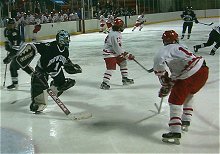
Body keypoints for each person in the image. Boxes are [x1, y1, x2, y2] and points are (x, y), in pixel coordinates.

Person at [153, 30, 209, 144]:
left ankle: (175, 131)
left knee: (174, 101)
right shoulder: (182, 46)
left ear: (164, 41)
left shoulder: (163, 51)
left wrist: (165, 84)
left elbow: (159, 68)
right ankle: (186, 120)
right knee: (188, 93)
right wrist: (170, 83)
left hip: (190, 73)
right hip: (203, 70)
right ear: (176, 39)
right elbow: (180, 70)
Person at [16, 30, 82, 113]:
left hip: (56, 71)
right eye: (65, 39)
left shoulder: (65, 51)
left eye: (67, 39)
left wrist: (72, 67)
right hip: (42, 70)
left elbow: (65, 61)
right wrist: (26, 54)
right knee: (38, 83)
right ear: (60, 40)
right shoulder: (50, 46)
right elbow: (35, 47)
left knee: (63, 84)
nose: (67, 41)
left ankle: (54, 89)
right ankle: (38, 103)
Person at [100, 18, 135, 90]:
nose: (123, 27)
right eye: (121, 26)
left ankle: (125, 78)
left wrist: (124, 54)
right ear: (118, 27)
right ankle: (104, 83)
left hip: (114, 52)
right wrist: (126, 55)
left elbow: (118, 47)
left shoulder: (114, 32)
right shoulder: (114, 35)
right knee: (111, 68)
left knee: (123, 62)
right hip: (109, 53)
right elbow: (117, 47)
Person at [3, 18, 33, 90]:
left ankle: (37, 78)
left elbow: (16, 48)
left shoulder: (15, 33)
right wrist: (7, 45)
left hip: (22, 51)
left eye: (12, 24)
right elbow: (8, 40)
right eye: (9, 24)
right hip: (17, 52)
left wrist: (9, 57)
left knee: (19, 66)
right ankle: (15, 83)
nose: (10, 26)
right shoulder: (6, 31)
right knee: (20, 66)